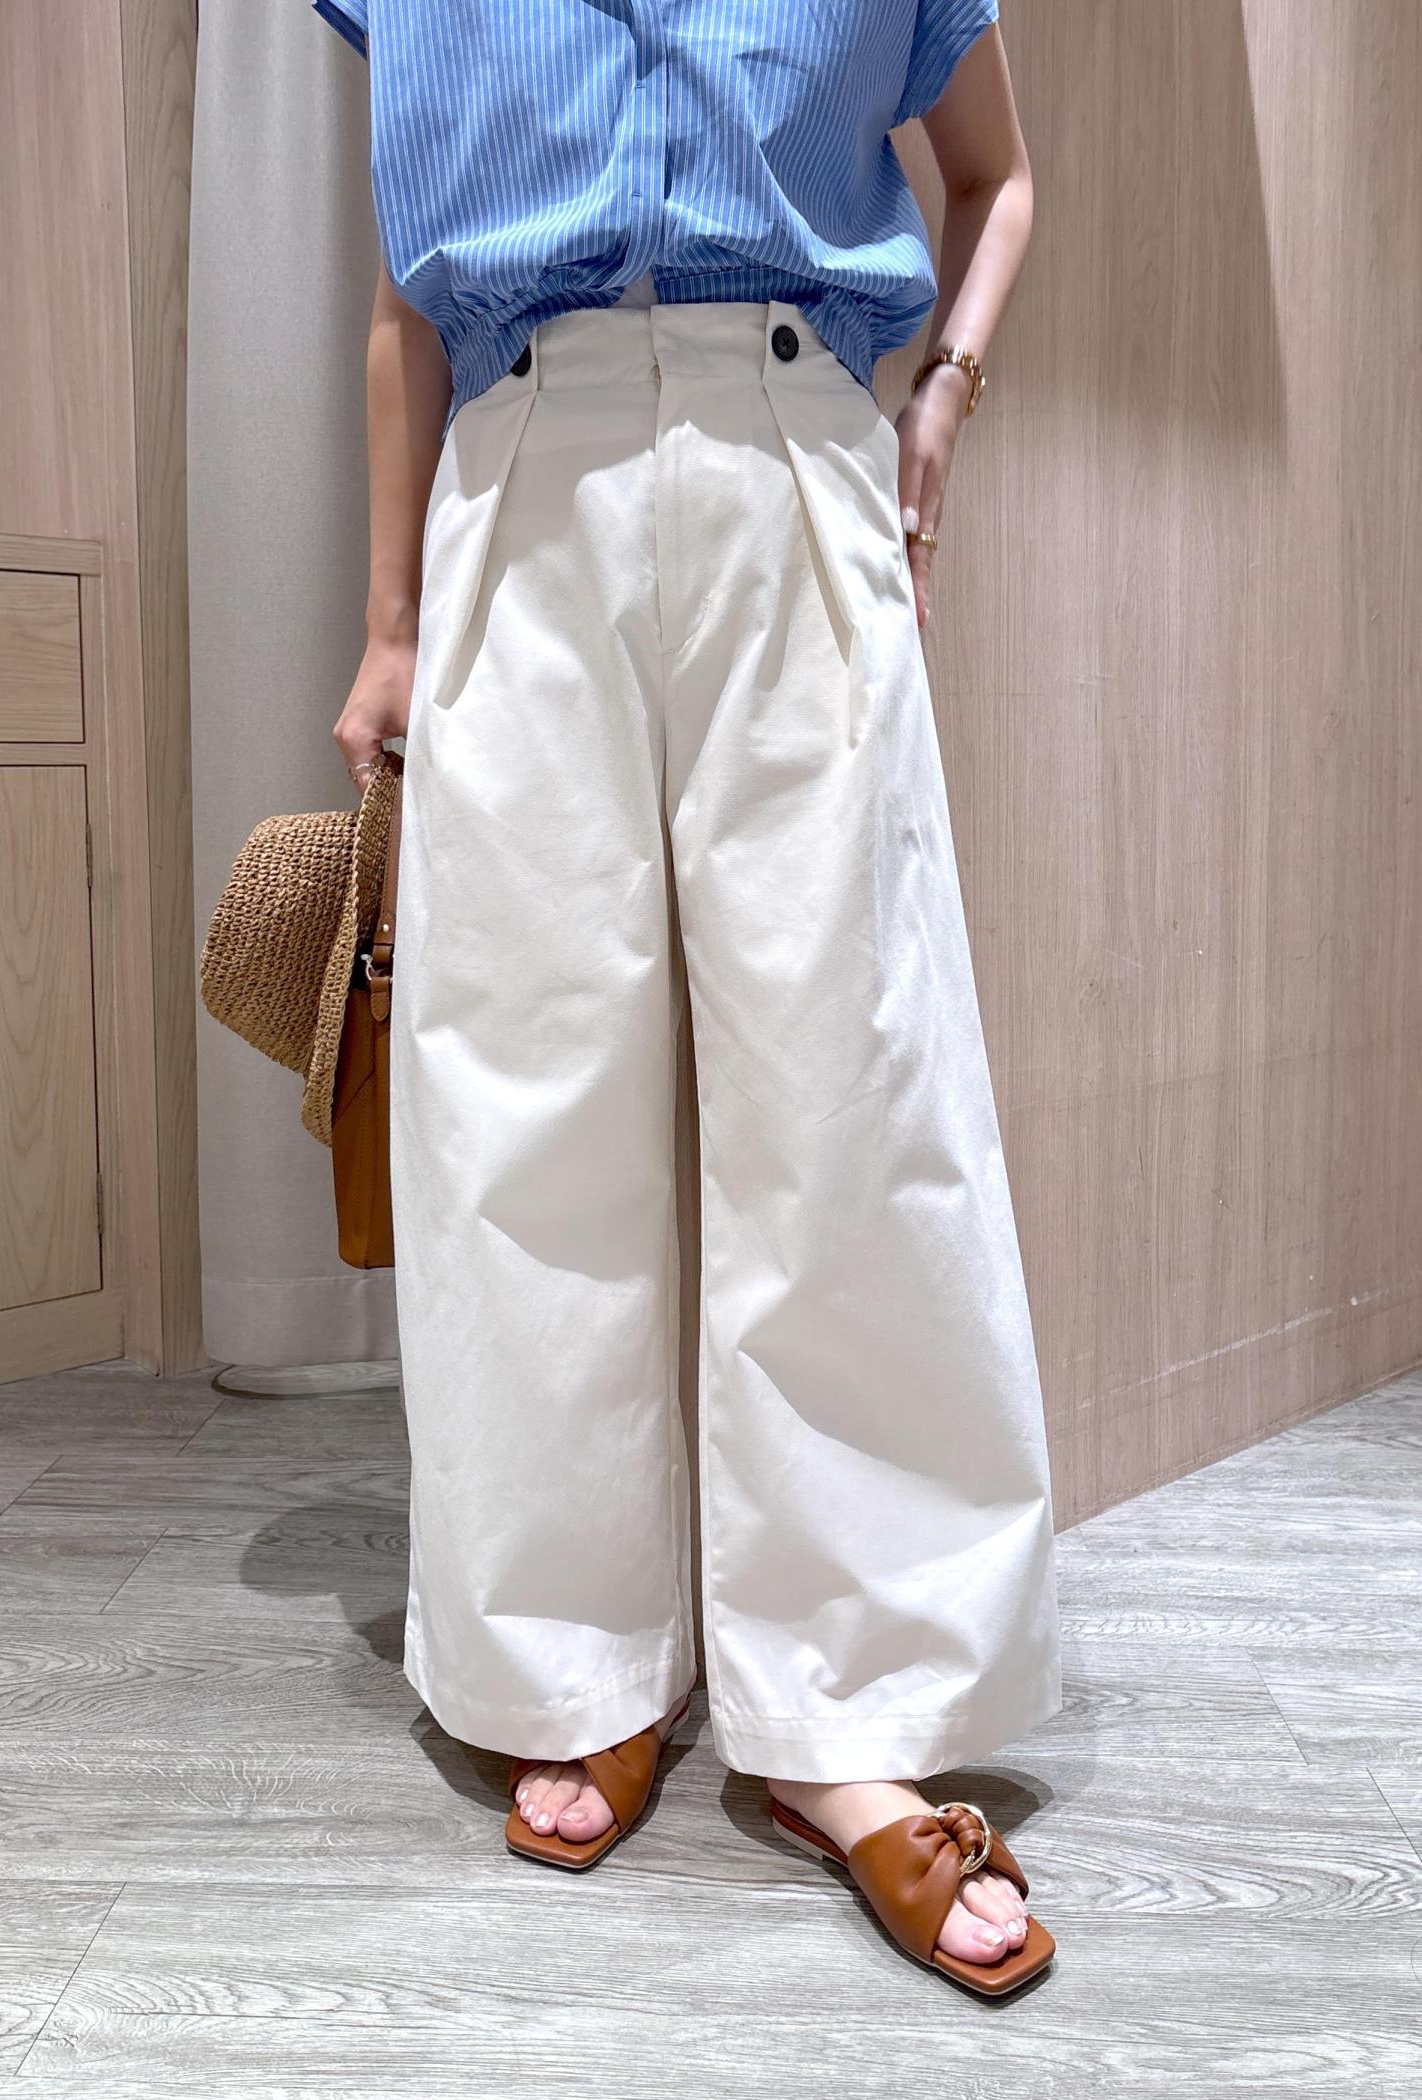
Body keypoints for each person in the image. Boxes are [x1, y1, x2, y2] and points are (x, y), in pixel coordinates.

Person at [316, 0, 1061, 1994]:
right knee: (519, 1113)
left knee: (849, 1101)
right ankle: (573, 1661)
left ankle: (855, 1712)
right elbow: (403, 302)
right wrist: (388, 624)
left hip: (796, 451)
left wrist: (944, 394)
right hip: (516, 474)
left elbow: (997, 177)